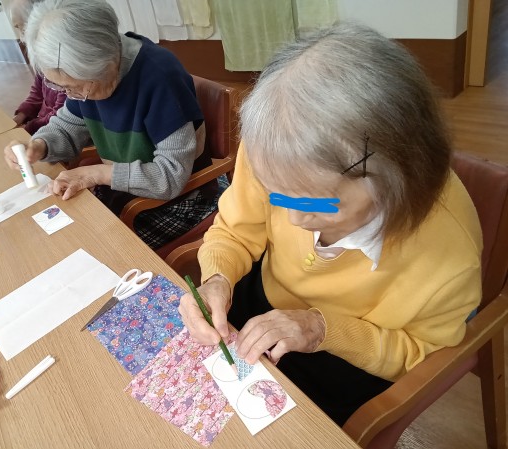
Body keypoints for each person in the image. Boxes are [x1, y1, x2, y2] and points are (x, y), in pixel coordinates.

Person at [178, 22, 483, 426]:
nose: (293, 219)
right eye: (276, 193)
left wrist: (323, 329)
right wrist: (217, 278)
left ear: (395, 181)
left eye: (318, 203)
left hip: (351, 355)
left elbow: (418, 354)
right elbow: (236, 229)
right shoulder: (277, 146)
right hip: (263, 302)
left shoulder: (449, 256)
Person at [3, 0, 219, 250]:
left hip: (179, 202)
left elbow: (170, 177)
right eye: (61, 87)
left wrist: (96, 174)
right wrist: (39, 145)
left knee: (93, 250)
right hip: (124, 193)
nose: (70, 95)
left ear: (107, 64)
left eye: (74, 88)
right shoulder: (85, 77)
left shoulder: (160, 77)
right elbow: (67, 125)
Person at [8, 0, 66, 134]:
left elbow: (62, 115)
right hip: (42, 125)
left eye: (21, 27)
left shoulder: (64, 63)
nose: (22, 38)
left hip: (53, 129)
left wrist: (28, 128)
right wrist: (20, 117)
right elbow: (37, 93)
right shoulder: (41, 57)